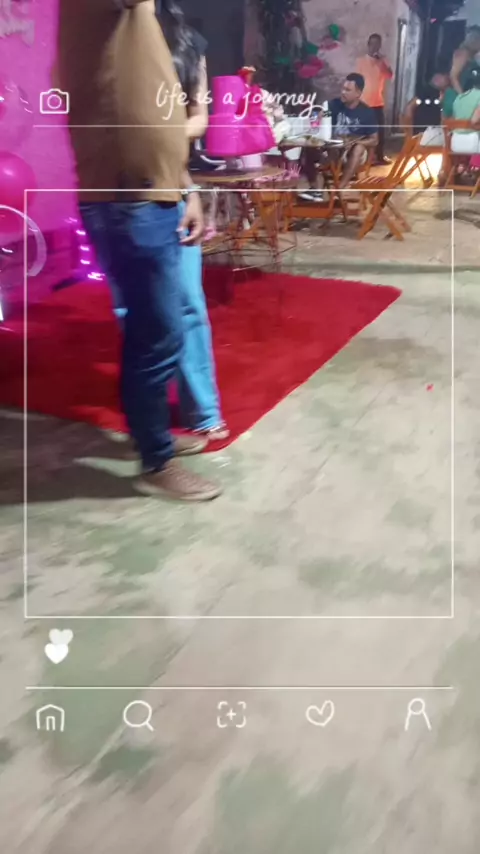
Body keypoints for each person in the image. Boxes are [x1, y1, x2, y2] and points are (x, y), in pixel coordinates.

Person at [56, 0, 222, 502]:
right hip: (130, 198)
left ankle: (151, 436)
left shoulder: (141, 27)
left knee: (155, 328)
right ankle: (156, 460)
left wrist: (184, 188)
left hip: (151, 192)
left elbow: (159, 115)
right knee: (158, 331)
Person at [300, 73, 378, 199]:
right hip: (334, 149)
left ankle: (339, 189)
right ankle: (315, 189)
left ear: (358, 93)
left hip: (353, 153)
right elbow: (319, 117)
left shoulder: (366, 112)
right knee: (308, 148)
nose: (343, 92)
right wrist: (318, 117)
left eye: (348, 90)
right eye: (343, 88)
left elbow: (374, 140)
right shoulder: (335, 104)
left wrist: (356, 142)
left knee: (358, 149)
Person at [355, 33, 393, 165]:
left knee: (380, 132)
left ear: (380, 45)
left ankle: (380, 156)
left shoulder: (382, 61)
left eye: (377, 44)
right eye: (372, 43)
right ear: (368, 44)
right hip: (364, 103)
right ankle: (365, 158)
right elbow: (356, 81)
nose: (374, 46)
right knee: (365, 133)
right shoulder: (360, 61)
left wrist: (382, 62)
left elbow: (389, 75)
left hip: (377, 102)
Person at [451, 70, 480, 155]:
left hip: (455, 143)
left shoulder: (458, 98)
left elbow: (454, 118)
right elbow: (474, 120)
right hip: (473, 143)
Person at [449, 26, 480, 95]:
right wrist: (462, 95)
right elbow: (453, 76)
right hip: (467, 92)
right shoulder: (462, 53)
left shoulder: (475, 55)